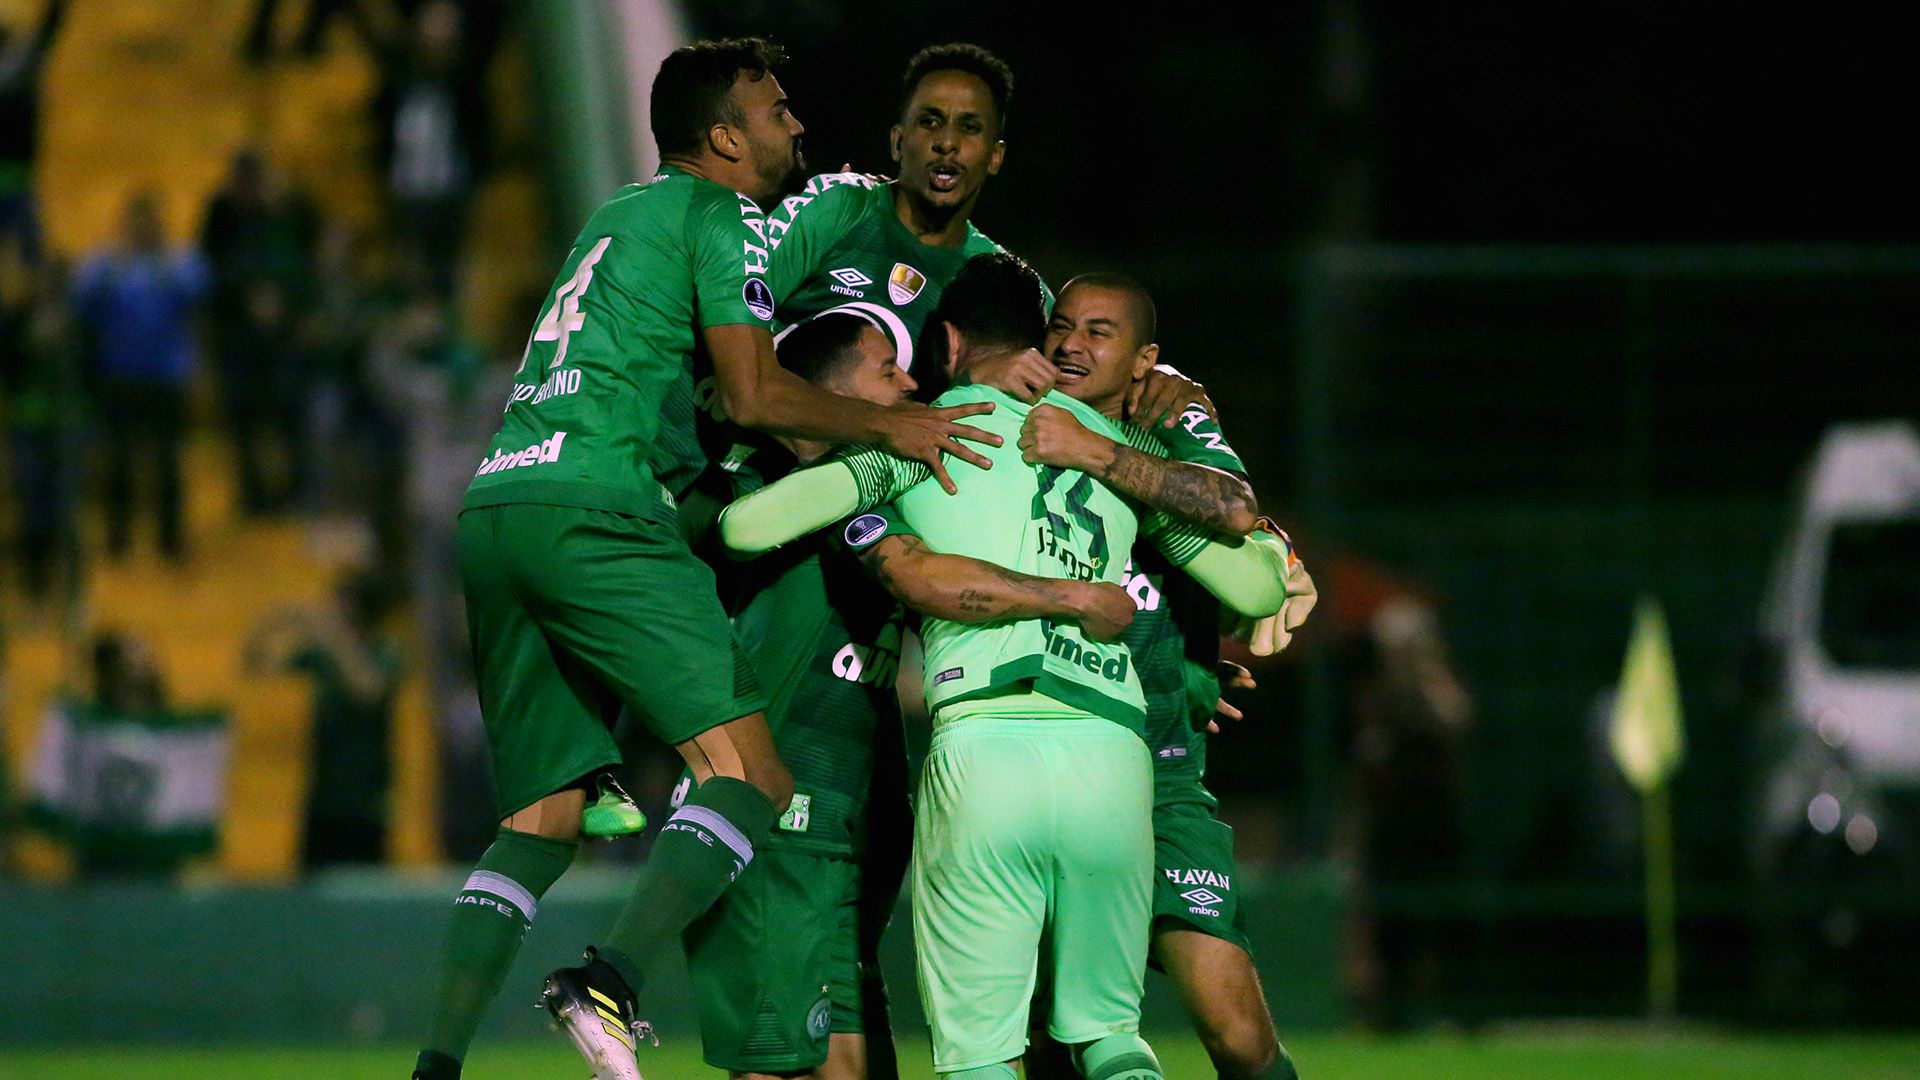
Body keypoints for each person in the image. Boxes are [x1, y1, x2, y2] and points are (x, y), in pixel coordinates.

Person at [412, 38, 998, 1080]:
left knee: (536, 826)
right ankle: (609, 980)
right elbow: (753, 395)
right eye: (777, 114)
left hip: (498, 499)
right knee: (753, 774)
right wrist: (889, 431)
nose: (797, 129)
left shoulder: (611, 216)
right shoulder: (715, 217)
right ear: (725, 137)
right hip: (601, 506)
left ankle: (434, 1069)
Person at [718, 254, 1297, 1080]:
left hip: (985, 743)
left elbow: (747, 527)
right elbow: (1255, 579)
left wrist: (865, 460)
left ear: (947, 344)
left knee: (983, 1056)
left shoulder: (924, 435)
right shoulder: (1114, 452)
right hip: (1110, 758)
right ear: (1038, 342)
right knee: (1110, 1039)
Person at [1009, 276, 1307, 1080]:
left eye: (1100, 332)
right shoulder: (1011, 431)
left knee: (1238, 1033)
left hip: (1161, 783)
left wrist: (1098, 450)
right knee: (1048, 1040)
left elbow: (1236, 513)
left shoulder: (1174, 426)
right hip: (1042, 771)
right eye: (1062, 326)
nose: (1072, 344)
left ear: (1145, 360)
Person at [71, 192, 209, 563]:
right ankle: (118, 541)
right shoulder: (106, 264)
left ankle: (170, 543)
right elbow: (81, 296)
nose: (144, 229)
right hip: (118, 376)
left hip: (166, 377)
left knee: (167, 462)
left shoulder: (178, 261)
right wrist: (117, 259)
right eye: (137, 222)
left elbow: (197, 290)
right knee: (117, 461)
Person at [246, 571, 404, 868]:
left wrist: (334, 637)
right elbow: (257, 667)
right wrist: (269, 623)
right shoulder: (322, 655)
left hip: (367, 801)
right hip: (322, 798)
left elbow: (368, 689)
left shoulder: (386, 651)